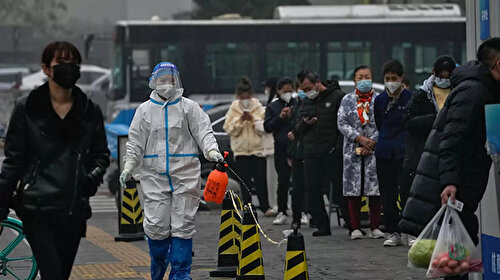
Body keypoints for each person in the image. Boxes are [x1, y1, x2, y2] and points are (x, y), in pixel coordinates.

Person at [0, 41, 110, 280]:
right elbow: (13, 161)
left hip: (72, 209)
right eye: (61, 63)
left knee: (61, 274)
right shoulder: (26, 108)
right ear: (46, 68)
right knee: (52, 274)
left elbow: (100, 155)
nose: (68, 68)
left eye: (73, 63)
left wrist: (88, 179)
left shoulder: (89, 111)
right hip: (36, 209)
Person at [400, 38, 500, 280]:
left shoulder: (482, 88)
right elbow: (451, 139)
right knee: (457, 249)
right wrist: (450, 182)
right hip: (457, 184)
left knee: (459, 248)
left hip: (464, 181)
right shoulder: (473, 91)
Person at [120, 61, 222, 280]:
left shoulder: (189, 107)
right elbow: (135, 141)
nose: (167, 84)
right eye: (162, 80)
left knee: (183, 225)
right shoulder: (144, 110)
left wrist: (212, 151)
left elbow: (204, 132)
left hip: (185, 175)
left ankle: (180, 274)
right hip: (154, 176)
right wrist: (129, 165)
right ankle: (158, 266)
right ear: (154, 82)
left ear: (177, 82)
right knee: (156, 226)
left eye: (171, 80)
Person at [400, 55, 456, 247]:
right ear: (434, 73)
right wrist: (436, 119)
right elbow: (409, 122)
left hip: (448, 151)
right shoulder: (422, 95)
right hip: (424, 153)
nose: (444, 79)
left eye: (448, 76)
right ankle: (418, 232)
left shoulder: (457, 92)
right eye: (441, 75)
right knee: (422, 194)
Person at [296, 71, 349, 236]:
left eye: (309, 88)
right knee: (312, 191)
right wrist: (306, 124)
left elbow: (344, 125)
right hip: (311, 152)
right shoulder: (306, 102)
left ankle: (352, 224)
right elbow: (297, 129)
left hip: (332, 152)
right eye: (304, 89)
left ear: (318, 83)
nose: (307, 92)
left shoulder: (338, 97)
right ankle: (322, 225)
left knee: (340, 190)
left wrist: (338, 148)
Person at [338, 65, 384, 240]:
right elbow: (342, 123)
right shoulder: (347, 100)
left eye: (367, 76)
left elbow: (384, 122)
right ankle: (355, 227)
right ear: (354, 80)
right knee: (353, 189)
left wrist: (372, 141)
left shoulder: (379, 100)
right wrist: (360, 139)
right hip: (353, 148)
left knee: (375, 189)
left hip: (374, 148)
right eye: (360, 77)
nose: (363, 80)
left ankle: (375, 227)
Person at [374, 60, 413, 246]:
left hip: (403, 152)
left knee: (406, 192)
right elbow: (379, 123)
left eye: (394, 78)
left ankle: (411, 231)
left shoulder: (411, 98)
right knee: (387, 194)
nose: (391, 82)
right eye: (387, 78)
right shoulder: (380, 100)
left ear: (401, 78)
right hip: (383, 152)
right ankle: (393, 231)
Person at [223, 77, 274, 216]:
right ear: (238, 96)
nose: (244, 99)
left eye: (247, 96)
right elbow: (228, 128)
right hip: (240, 151)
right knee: (244, 181)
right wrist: (240, 120)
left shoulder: (258, 107)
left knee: (260, 180)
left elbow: (264, 126)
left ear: (251, 95)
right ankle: (247, 206)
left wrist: (253, 120)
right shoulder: (234, 107)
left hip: (257, 150)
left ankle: (265, 206)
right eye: (242, 97)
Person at [264, 77, 296, 225]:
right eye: (285, 91)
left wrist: (292, 116)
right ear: (278, 91)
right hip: (281, 148)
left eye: (290, 91)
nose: (288, 94)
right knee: (282, 181)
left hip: (296, 148)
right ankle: (282, 211)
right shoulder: (273, 107)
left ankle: (301, 212)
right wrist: (280, 117)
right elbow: (267, 127)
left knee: (298, 182)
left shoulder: (298, 104)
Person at [288, 85, 309, 228]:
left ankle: (312, 215)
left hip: (310, 150)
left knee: (312, 187)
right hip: (296, 152)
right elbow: (290, 133)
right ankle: (296, 218)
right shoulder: (295, 108)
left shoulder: (314, 106)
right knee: (297, 188)